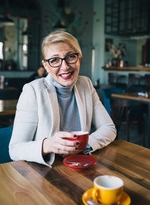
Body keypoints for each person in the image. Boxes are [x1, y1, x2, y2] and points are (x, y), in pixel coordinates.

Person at [9, 31, 116, 167]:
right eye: (54, 60)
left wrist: (84, 146)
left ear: (79, 58)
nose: (65, 67)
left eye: (71, 57)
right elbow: (15, 150)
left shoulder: (86, 84)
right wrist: (48, 145)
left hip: (80, 166)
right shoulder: (33, 91)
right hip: (45, 173)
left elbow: (109, 128)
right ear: (46, 66)